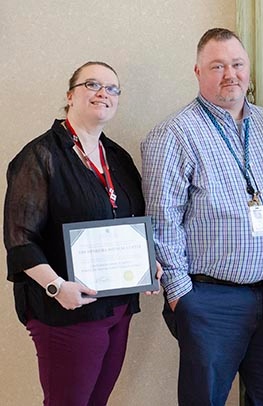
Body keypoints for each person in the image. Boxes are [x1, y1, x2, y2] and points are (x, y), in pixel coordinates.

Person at [141, 28, 263, 405]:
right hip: (210, 300)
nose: (230, 74)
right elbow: (163, 221)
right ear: (198, 72)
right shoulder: (174, 134)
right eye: (217, 66)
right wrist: (182, 298)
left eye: (237, 64)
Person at [4, 61, 160, 405]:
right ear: (70, 95)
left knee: (96, 401)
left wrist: (148, 261)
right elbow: (20, 239)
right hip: (67, 309)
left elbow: (130, 219)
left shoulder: (117, 157)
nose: (103, 93)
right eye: (92, 84)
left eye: (112, 88)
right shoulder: (39, 156)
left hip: (117, 307)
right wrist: (57, 287)